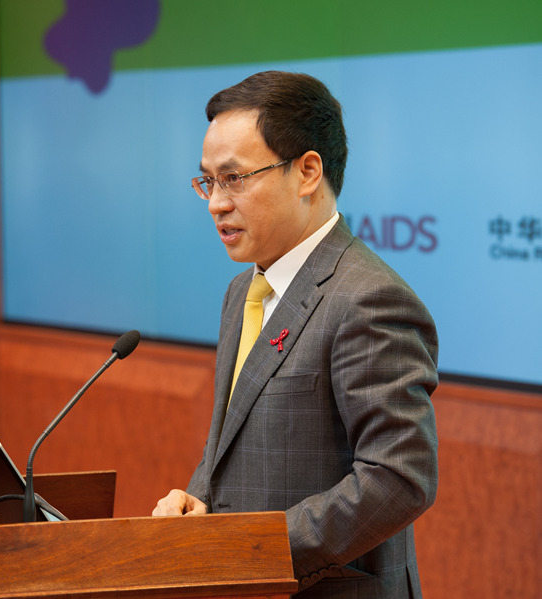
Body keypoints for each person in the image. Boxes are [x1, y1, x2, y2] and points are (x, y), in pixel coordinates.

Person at [152, 71, 438, 599]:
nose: (216, 202)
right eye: (207, 182)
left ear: (307, 171)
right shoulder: (243, 291)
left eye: (235, 178)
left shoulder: (367, 298)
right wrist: (197, 501)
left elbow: (400, 478)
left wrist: (245, 545)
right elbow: (236, 442)